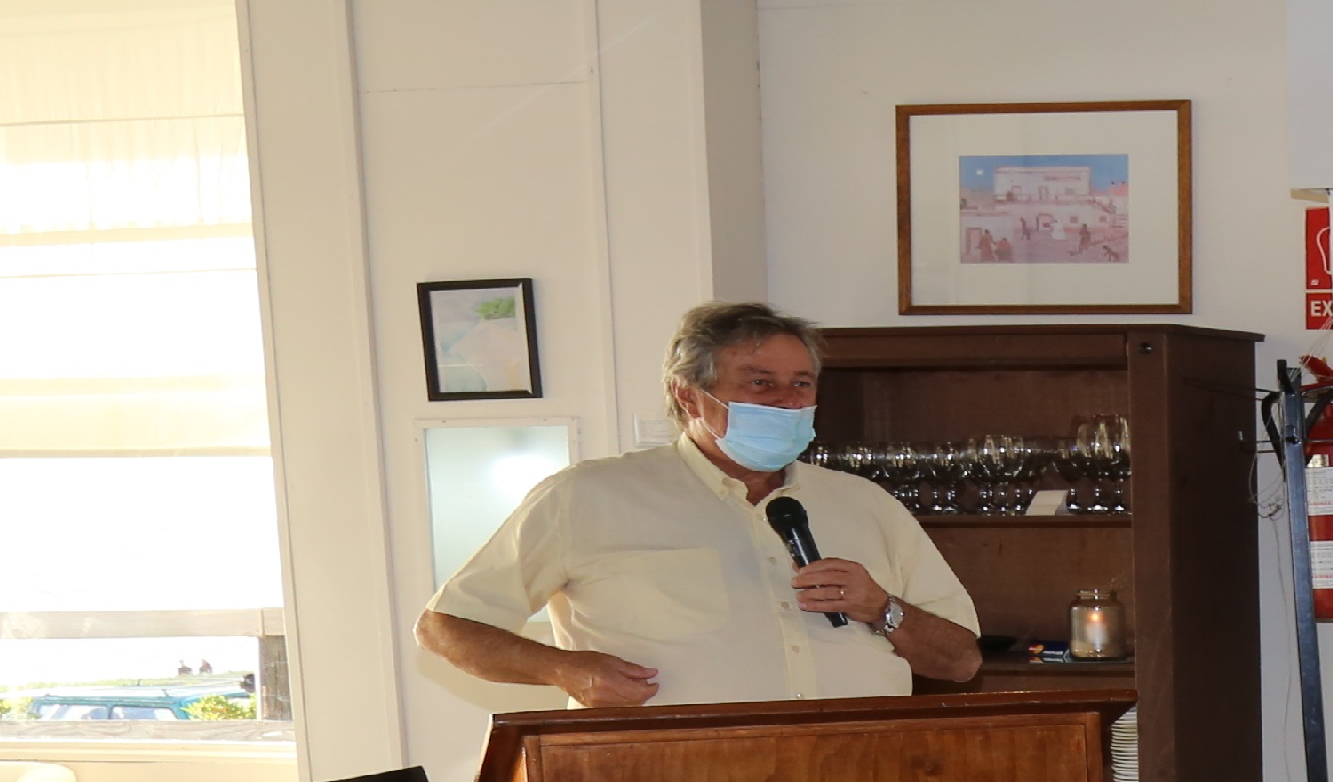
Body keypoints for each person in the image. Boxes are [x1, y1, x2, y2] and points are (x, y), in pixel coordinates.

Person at [420, 300, 983, 706]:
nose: (788, 402)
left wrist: (882, 608)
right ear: (688, 395)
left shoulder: (865, 503)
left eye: (802, 383)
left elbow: (961, 662)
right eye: (760, 384)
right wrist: (563, 669)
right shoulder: (586, 497)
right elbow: (447, 627)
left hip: (860, 781)